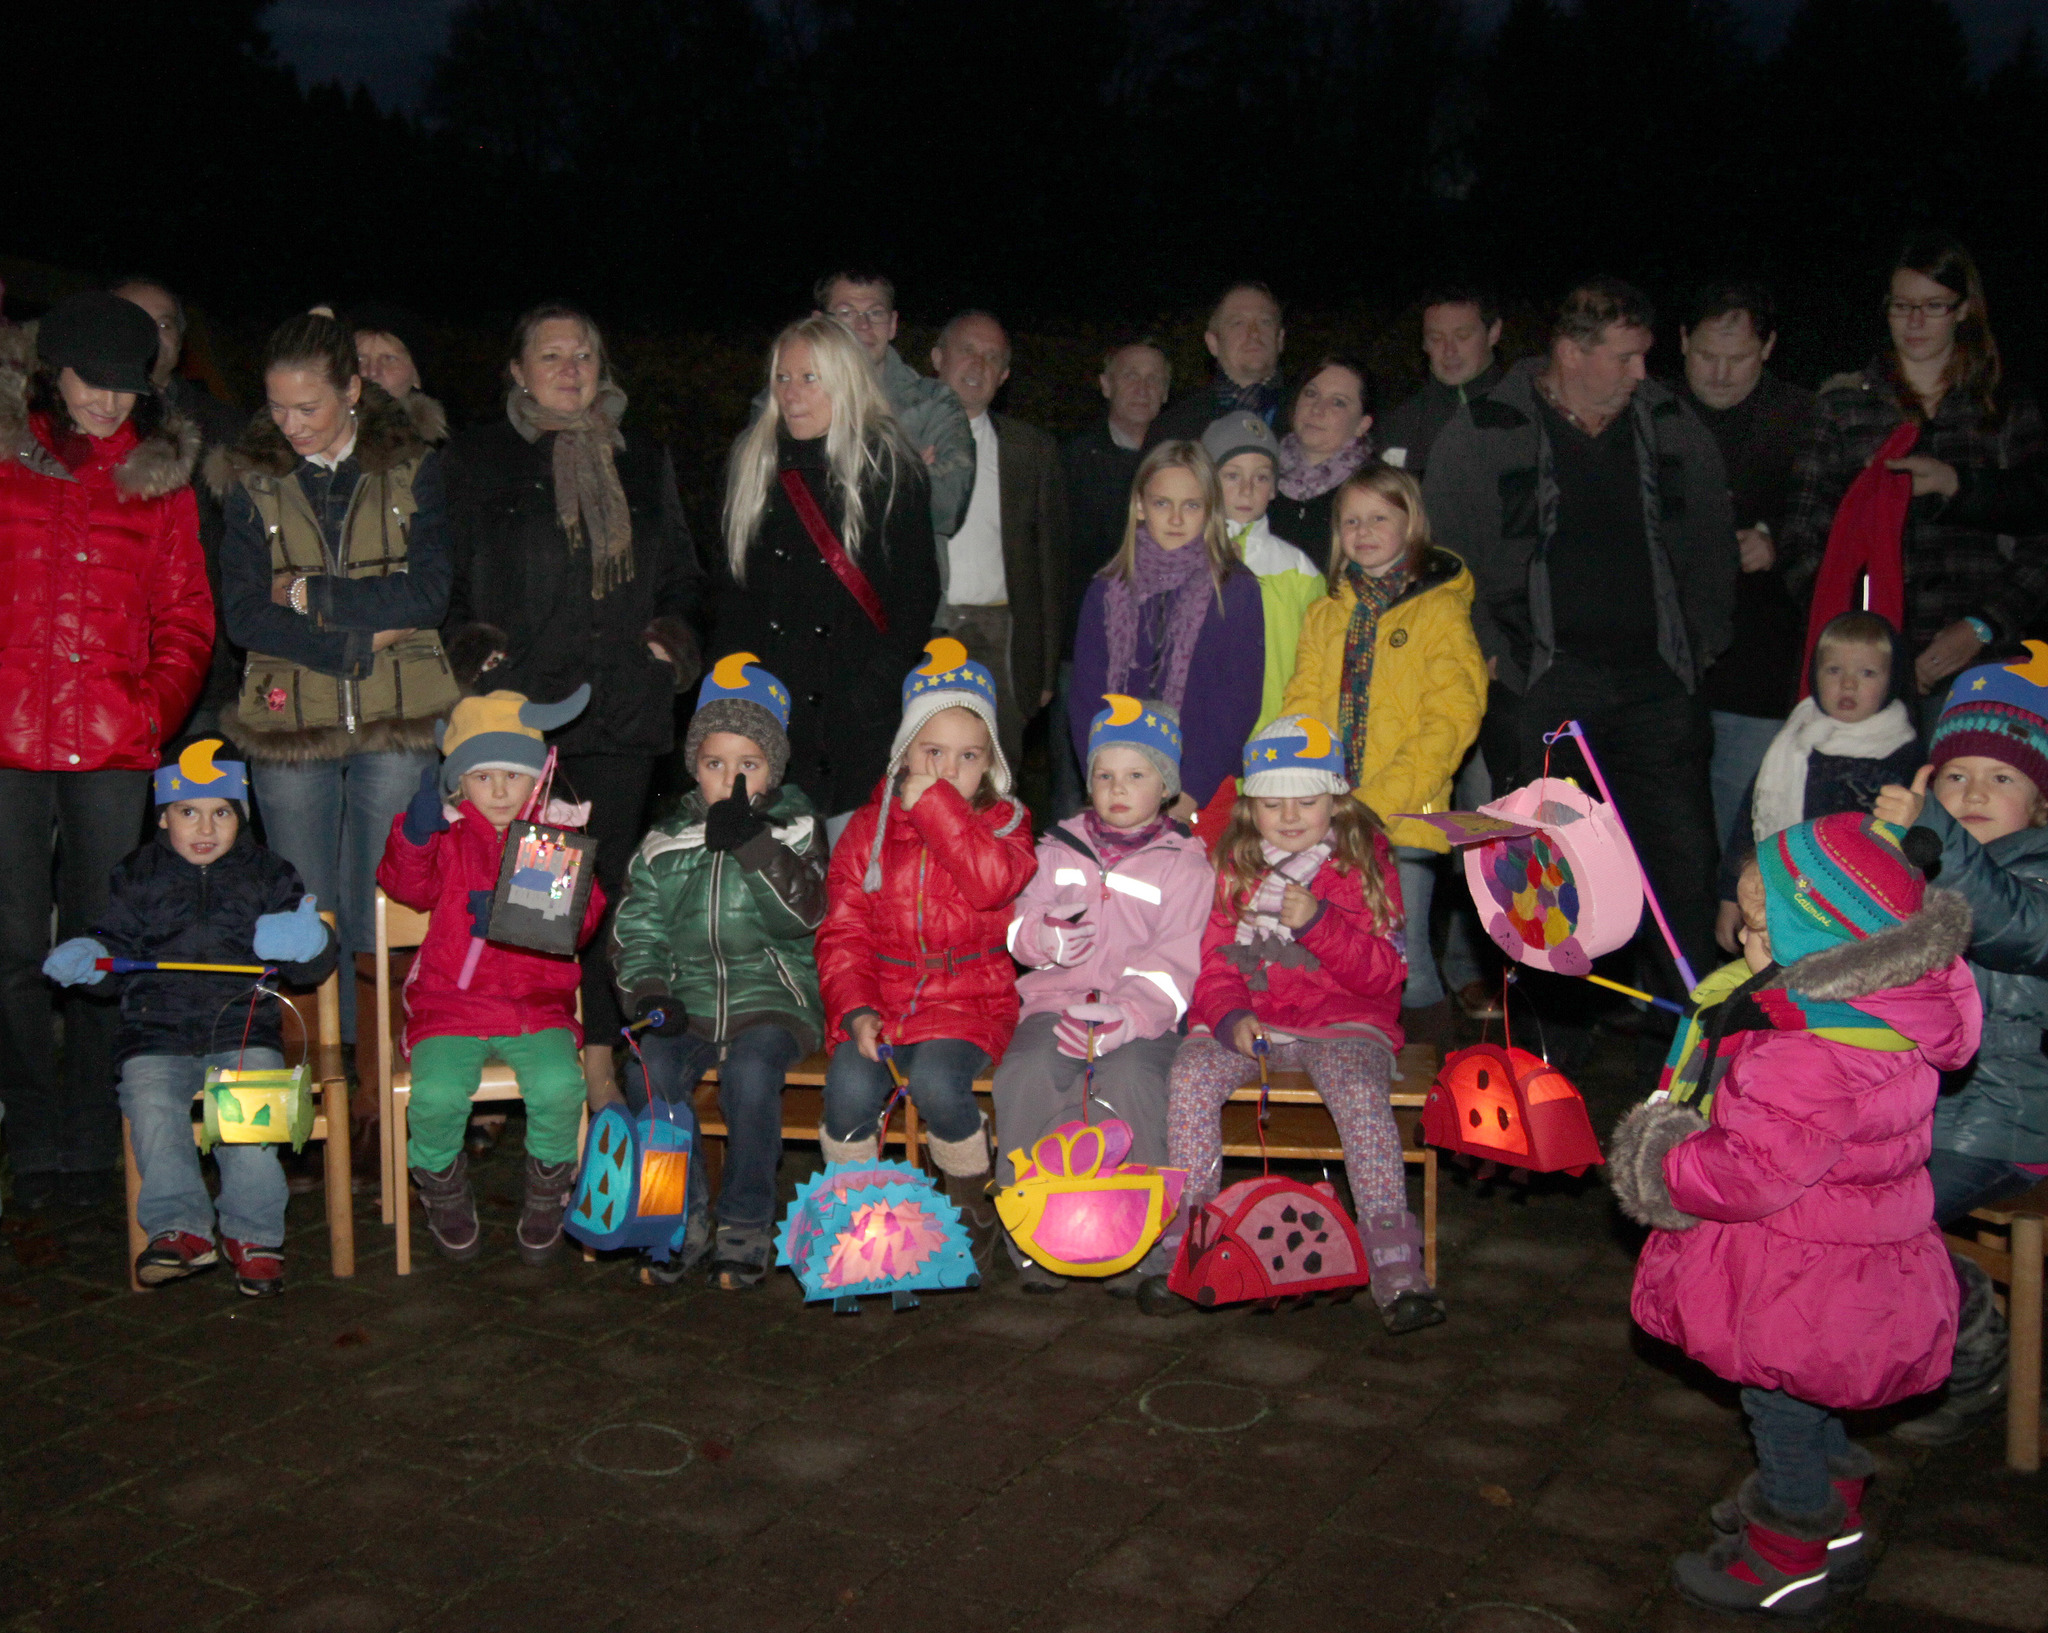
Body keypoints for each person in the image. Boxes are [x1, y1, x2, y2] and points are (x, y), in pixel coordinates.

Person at [1613, 813, 1978, 1616]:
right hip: (1857, 1256)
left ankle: (1787, 1551)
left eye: (1757, 921)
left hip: (1796, 1270)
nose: (1740, 933)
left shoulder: (1807, 1052)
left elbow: (1750, 1172)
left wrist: (1664, 1156)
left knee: (1775, 1403)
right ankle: (1837, 1515)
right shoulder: (1889, 1012)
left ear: (1816, 938)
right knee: (1811, 1395)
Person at [1425, 278, 1737, 987]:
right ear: (1570, 351)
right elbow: (1446, 569)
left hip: (1656, 689)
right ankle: (1547, 1052)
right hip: (1541, 690)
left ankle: (1688, 1048)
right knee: (1545, 876)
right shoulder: (1483, 433)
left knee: (1680, 865)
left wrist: (1697, 651)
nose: (1640, 372)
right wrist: (1499, 664)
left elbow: (1713, 549)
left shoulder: (1670, 423)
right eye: (1624, 357)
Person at [439, 302, 702, 1099]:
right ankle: (524, 1048)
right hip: (524, 717)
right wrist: (471, 645)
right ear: (517, 372)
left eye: (583, 355)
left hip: (622, 707)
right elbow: (448, 578)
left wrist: (671, 640)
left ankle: (596, 1059)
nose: (568, 369)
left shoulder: (642, 456)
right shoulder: (479, 458)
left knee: (602, 891)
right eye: (550, 356)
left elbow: (687, 574)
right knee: (530, 887)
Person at [0, 293, 214, 1210]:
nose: (111, 403)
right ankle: (32, 1130)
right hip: (7, 743)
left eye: (130, 387)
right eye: (94, 382)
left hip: (112, 749)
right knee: (12, 945)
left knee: (98, 948)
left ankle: (92, 1135)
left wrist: (148, 713)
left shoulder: (159, 483)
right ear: (56, 371)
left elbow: (188, 618)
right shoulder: (8, 462)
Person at [1139, 716, 1444, 1332]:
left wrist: (1318, 923)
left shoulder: (1363, 859)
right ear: (1252, 806)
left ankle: (1393, 1262)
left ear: (1336, 797)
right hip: (1252, 1019)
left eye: (1306, 801)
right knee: (1191, 1076)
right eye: (1272, 803)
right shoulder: (1233, 859)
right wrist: (1230, 1017)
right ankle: (1187, 1243)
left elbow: (1384, 973)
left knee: (1360, 1096)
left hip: (1343, 1020)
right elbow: (1215, 960)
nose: (1290, 816)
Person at [215, 312, 456, 1058]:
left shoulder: (415, 462)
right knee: (302, 908)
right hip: (290, 724)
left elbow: (428, 594)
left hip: (400, 718)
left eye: (308, 407)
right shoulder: (250, 477)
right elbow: (246, 612)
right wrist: (354, 645)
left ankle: (381, 1080)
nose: (290, 424)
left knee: (378, 907)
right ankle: (317, 1074)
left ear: (352, 390)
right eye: (277, 407)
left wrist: (308, 595)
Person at [42, 740, 336, 1294]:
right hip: (155, 1032)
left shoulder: (268, 873)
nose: (206, 827)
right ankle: (182, 1228)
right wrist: (88, 957)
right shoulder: (135, 875)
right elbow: (111, 953)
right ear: (163, 815)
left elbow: (312, 963)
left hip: (243, 1027)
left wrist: (309, 941)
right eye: (188, 812)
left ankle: (253, 1236)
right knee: (150, 1107)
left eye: (221, 812)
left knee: (250, 1125)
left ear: (241, 816)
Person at [1873, 649, 2048, 1447]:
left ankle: (1974, 1348)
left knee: (1879, 1216)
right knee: (1823, 1187)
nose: (1975, 791)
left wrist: (1932, 833)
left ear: (2040, 802)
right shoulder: (1925, 868)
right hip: (1925, 1110)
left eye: (2002, 777)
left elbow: (2010, 923)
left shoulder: (2034, 875)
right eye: (1955, 775)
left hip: (2008, 1124)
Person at [815, 642, 1035, 1271]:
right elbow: (844, 932)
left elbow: (992, 883)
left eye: (968, 757)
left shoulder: (1006, 824)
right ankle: (859, 1221)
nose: (946, 770)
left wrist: (935, 807)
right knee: (847, 1089)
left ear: (990, 763)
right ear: (903, 754)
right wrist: (855, 1011)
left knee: (939, 1082)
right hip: (880, 1002)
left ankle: (972, 1205)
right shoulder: (867, 829)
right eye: (931, 752)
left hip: (968, 1003)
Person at [608, 655, 826, 1291]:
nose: (730, 780)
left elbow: (804, 917)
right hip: (688, 1001)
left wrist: (755, 846)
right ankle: (674, 1216)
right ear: (693, 768)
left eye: (748, 766)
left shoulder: (794, 827)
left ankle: (746, 1220)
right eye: (714, 765)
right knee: (650, 1069)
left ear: (772, 772)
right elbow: (636, 933)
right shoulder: (664, 843)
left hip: (773, 1000)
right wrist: (649, 995)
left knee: (752, 1075)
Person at [1781, 235, 2048, 735]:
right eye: (1903, 306)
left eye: (1933, 306)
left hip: (1984, 666)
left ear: (1963, 310)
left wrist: (1981, 626)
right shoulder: (1843, 406)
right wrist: (1861, 650)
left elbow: (2039, 539)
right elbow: (1801, 538)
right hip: (1867, 678)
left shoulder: (2004, 407)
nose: (1916, 322)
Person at [376, 686, 604, 1265]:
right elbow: (407, 888)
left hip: (536, 1007)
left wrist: (515, 915)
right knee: (435, 1096)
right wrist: (414, 836)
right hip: (452, 1008)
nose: (499, 791)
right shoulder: (448, 838)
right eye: (482, 777)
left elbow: (583, 922)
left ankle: (549, 1191)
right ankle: (443, 1190)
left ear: (538, 777)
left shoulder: (555, 839)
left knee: (559, 1087)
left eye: (513, 775)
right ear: (458, 783)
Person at [995, 695, 1211, 1293]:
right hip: (1055, 1005)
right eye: (1104, 775)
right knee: (1028, 1075)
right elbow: (1017, 925)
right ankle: (1033, 1236)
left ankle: (1140, 1246)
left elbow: (1176, 960)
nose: (1117, 789)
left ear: (1165, 786)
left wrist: (1130, 1016)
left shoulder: (1185, 867)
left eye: (1136, 776)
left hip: (1137, 1021)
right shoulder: (1057, 849)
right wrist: (1046, 942)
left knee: (1134, 1085)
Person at [1281, 465, 1485, 1046]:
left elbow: (1451, 718)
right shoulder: (1328, 611)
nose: (1364, 531)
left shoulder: (1439, 610)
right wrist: (1294, 780)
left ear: (1411, 523)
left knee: (1407, 958)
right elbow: (1303, 701)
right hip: (1330, 812)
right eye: (1351, 520)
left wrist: (1377, 801)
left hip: (1403, 817)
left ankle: (1433, 1096)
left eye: (1379, 518)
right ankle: (1356, 1067)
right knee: (1331, 949)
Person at [713, 316, 940, 834]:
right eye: (782, 377)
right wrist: (730, 691)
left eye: (810, 378)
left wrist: (873, 692)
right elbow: (731, 595)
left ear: (846, 382)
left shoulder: (890, 470)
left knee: (849, 891)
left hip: (852, 722)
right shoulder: (752, 463)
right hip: (767, 709)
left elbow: (914, 596)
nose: (791, 394)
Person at [1677, 282, 1819, 847]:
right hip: (1666, 674)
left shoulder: (1803, 418)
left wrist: (1776, 542)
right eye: (1706, 355)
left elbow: (1835, 519)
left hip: (1760, 668)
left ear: (1768, 348)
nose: (1718, 373)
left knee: (1746, 830)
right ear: (1682, 341)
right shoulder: (1650, 412)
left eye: (1736, 359)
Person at [1069, 441, 1263, 829]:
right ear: (1140, 506)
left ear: (1210, 510)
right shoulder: (1107, 590)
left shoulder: (1235, 589)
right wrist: (1103, 778)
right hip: (1118, 788)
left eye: (1191, 505)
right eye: (1162, 503)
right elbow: (1085, 697)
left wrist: (1189, 790)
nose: (1176, 518)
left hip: (1199, 789)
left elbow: (1238, 701)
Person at [1714, 612, 1919, 953]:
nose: (1848, 684)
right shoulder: (1794, 741)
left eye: (1867, 673)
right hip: (1785, 896)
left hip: (1862, 913)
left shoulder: (1902, 752)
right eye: (1834, 670)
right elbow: (1747, 826)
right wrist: (1730, 896)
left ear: (1892, 679)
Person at [927, 310, 1069, 771]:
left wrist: (1044, 671)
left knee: (996, 778)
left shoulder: (1030, 451)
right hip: (922, 635)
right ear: (938, 358)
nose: (978, 365)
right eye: (968, 350)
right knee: (920, 774)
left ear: (1004, 375)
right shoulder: (895, 440)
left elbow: (1050, 563)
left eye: (992, 358)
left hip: (1000, 639)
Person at [113, 277, 246, 737]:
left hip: (204, 676)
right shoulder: (71, 427)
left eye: (164, 324)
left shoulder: (226, 427)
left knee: (199, 805)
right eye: (133, 321)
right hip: (97, 671)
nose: (150, 334)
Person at [1057, 341, 1171, 815]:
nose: (1141, 389)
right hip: (1082, 651)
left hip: (1164, 653)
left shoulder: (1179, 465)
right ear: (1105, 384)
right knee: (1077, 786)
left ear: (1166, 392)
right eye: (1130, 375)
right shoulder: (1068, 461)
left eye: (1154, 379)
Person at [813, 269, 974, 541]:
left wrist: (836, 471)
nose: (863, 325)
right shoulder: (786, 400)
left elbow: (948, 508)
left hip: (901, 579)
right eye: (846, 313)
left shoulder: (935, 403)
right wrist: (905, 470)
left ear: (893, 325)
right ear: (819, 324)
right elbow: (770, 500)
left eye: (875, 313)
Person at [1199, 413, 1322, 727]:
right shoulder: (1186, 559)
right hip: (1203, 732)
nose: (1246, 489)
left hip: (1275, 735)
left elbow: (1320, 658)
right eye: (1232, 475)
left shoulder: (1297, 568)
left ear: (1273, 488)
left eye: (1261, 477)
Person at [1376, 287, 1505, 479]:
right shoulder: (1399, 424)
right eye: (1436, 338)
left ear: (1493, 333)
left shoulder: (1532, 412)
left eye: (1462, 336)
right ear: (1424, 343)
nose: (1449, 351)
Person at [1147, 283, 1286, 446]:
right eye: (1238, 323)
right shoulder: (1175, 429)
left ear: (1280, 339)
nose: (1254, 333)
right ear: (1213, 343)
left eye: (1265, 322)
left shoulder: (1309, 419)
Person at [1266, 355, 1376, 553]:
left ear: (1362, 424)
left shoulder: (1377, 491)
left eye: (1338, 402)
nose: (1317, 409)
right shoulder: (1259, 476)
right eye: (1311, 393)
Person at [345, 301, 449, 446]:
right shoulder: (312, 443)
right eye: (360, 359)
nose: (371, 372)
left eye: (389, 359)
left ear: (416, 376)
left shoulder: (444, 458)